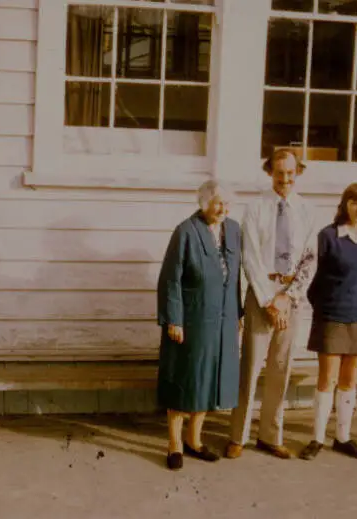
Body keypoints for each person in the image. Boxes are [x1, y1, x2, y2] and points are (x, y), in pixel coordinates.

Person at [225, 148, 317, 460]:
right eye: (279, 173)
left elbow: (309, 258)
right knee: (250, 367)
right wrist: (268, 300)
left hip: (290, 295)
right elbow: (249, 257)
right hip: (261, 294)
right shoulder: (256, 208)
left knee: (281, 367)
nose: (285, 179)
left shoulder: (306, 210)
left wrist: (287, 297)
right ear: (270, 172)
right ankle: (238, 435)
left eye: (291, 173)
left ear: (298, 172)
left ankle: (270, 435)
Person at [156, 180, 242, 471]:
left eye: (227, 204)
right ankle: (175, 444)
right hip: (192, 319)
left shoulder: (233, 230)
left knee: (207, 380)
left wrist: (238, 315)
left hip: (222, 320)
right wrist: (174, 320)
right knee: (185, 380)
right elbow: (170, 279)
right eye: (218, 203)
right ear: (204, 202)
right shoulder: (185, 232)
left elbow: (235, 278)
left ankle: (195, 440)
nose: (223, 209)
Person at [299, 183, 357, 461]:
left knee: (350, 381)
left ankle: (343, 437)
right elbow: (313, 279)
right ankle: (316, 439)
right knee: (327, 379)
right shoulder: (328, 236)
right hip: (332, 316)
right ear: (344, 204)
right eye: (354, 203)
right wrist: (329, 304)